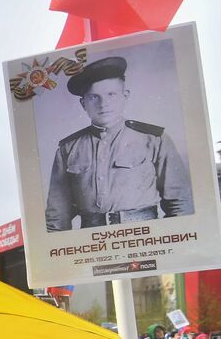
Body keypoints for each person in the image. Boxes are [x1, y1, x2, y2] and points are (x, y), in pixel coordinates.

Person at [44, 56, 194, 232]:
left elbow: (180, 204)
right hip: (92, 242)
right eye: (94, 97)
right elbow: (57, 217)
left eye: (111, 95)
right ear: (83, 103)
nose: (104, 104)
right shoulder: (68, 149)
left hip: (146, 236)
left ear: (125, 96)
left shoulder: (153, 139)